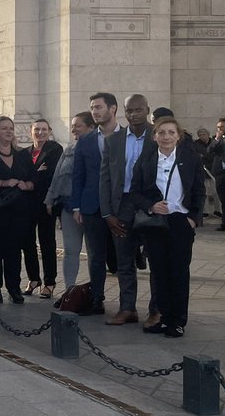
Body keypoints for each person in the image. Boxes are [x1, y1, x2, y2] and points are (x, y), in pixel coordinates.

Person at [130, 115, 206, 339]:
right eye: (161, 132)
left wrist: (193, 218)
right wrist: (151, 206)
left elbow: (199, 191)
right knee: (159, 271)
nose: (166, 137)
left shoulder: (191, 158)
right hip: (156, 222)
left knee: (179, 272)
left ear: (178, 136)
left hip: (180, 221)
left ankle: (178, 320)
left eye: (171, 132)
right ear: (154, 136)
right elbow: (135, 192)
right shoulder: (146, 160)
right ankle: (163, 317)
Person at [100, 95, 157, 326]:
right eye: (129, 110)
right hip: (122, 205)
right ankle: (127, 308)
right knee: (124, 261)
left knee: (156, 259)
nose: (133, 114)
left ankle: (156, 310)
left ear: (147, 110)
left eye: (138, 110)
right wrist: (107, 213)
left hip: (149, 205)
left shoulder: (158, 136)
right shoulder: (114, 140)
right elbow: (105, 178)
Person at [69, 92, 121, 316]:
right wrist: (77, 206)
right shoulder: (85, 141)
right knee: (96, 257)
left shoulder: (128, 137)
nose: (95, 112)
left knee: (123, 259)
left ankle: (127, 305)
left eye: (99, 107)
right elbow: (77, 175)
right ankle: (97, 299)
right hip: (91, 207)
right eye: (92, 108)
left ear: (113, 108)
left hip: (120, 207)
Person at [0, 116, 35, 304]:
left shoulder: (22, 155)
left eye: (10, 128)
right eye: (4, 128)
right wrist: (4, 182)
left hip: (19, 210)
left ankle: (14, 288)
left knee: (14, 250)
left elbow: (33, 179)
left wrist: (27, 184)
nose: (8, 131)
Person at [44, 112, 93, 290]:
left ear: (91, 127)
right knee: (71, 251)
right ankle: (69, 291)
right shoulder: (69, 150)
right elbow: (57, 177)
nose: (73, 129)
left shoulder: (100, 148)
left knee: (93, 254)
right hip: (68, 207)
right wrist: (50, 199)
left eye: (78, 125)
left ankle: (95, 294)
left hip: (91, 209)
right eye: (72, 126)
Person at [22, 118, 63, 300]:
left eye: (44, 129)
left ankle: (49, 282)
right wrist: (38, 172)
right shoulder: (24, 153)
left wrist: (33, 179)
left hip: (46, 203)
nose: (40, 132)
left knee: (47, 242)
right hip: (27, 205)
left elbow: (51, 175)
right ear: (31, 131)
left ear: (49, 131)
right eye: (36, 129)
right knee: (27, 243)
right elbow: (26, 174)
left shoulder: (54, 149)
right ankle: (33, 279)